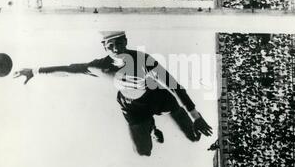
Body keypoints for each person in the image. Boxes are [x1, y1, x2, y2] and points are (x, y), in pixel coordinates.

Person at [14, 31, 213, 156]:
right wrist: (35, 71)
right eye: (111, 45)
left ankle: (158, 124)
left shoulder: (143, 59)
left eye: (119, 42)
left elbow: (174, 85)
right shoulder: (99, 67)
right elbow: (69, 69)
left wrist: (195, 115)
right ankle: (151, 127)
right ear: (104, 47)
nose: (116, 48)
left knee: (193, 137)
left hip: (157, 98)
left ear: (126, 41)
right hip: (133, 109)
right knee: (143, 152)